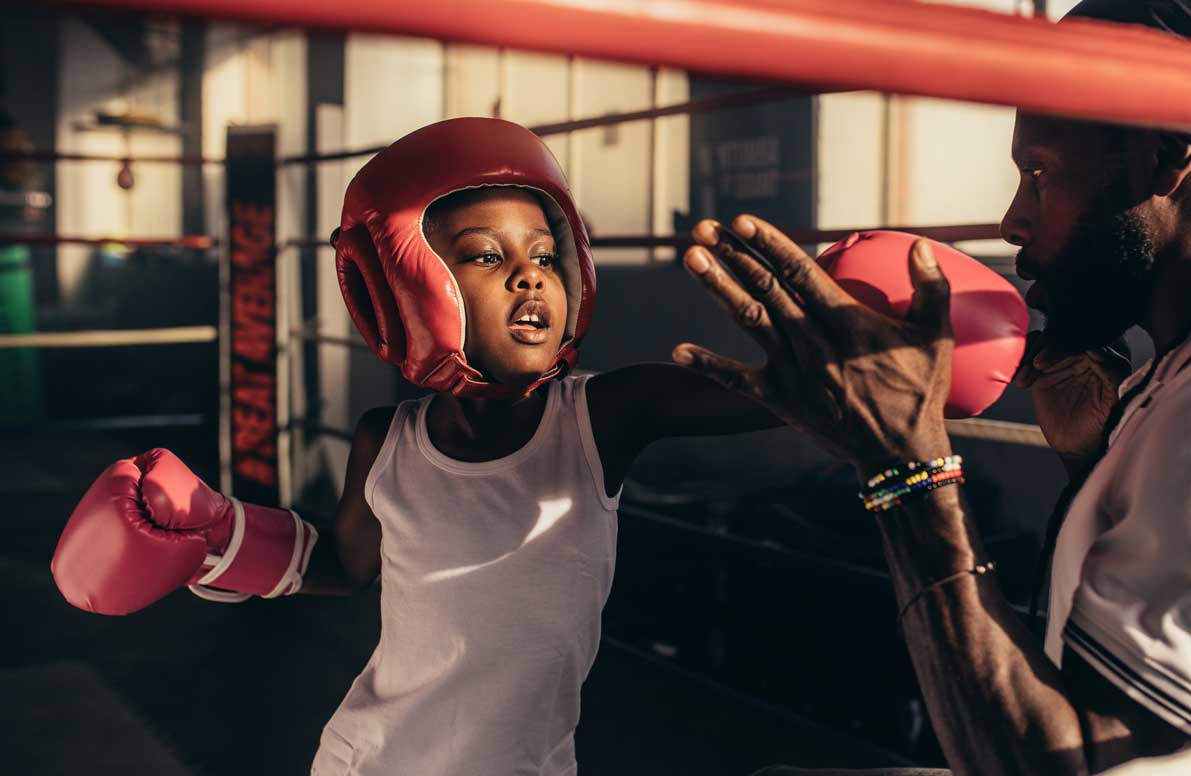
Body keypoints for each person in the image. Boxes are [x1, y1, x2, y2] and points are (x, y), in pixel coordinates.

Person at [675, 1, 1191, 774]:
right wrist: (1095, 465)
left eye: (1040, 173)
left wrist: (904, 463)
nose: (1011, 219)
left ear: (1168, 156)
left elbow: (1088, 763)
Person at [51, 117, 776, 776]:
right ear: (406, 284)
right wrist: (217, 535)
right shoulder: (386, 441)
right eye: (486, 257)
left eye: (547, 254)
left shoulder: (602, 416)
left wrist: (843, 342)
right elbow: (346, 562)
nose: (529, 274)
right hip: (369, 761)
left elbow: (768, 395)